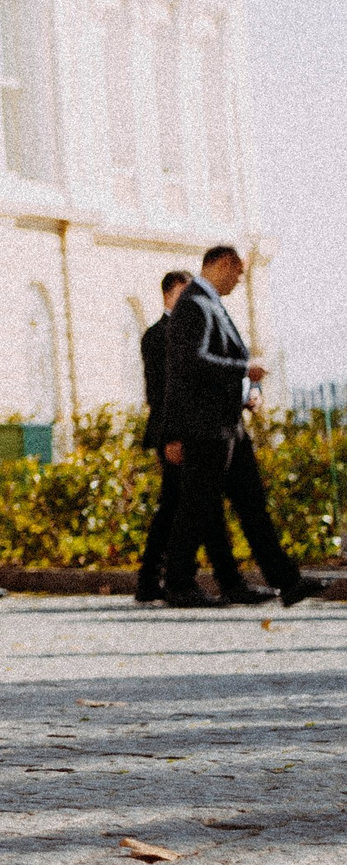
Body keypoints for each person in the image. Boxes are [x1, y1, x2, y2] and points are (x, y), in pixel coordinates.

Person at [161, 244, 309, 608]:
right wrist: (244, 371)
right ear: (224, 264)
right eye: (238, 273)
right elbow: (190, 364)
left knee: (251, 502)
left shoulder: (207, 302)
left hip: (228, 424)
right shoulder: (194, 304)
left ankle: (287, 581)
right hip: (207, 428)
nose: (240, 281)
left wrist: (247, 389)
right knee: (197, 506)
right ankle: (178, 583)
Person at [137, 270, 241, 605]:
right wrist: (172, 437)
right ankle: (161, 581)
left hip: (194, 431)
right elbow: (161, 393)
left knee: (191, 507)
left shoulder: (184, 331)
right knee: (177, 507)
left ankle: (162, 581)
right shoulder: (158, 336)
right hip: (176, 434)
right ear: (170, 295)